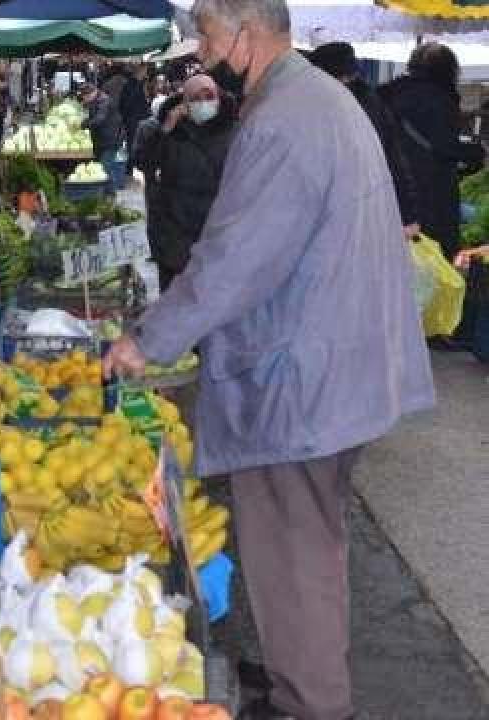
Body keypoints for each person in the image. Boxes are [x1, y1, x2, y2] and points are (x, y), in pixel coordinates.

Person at [102, 1, 435, 718]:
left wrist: (147, 339)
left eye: (210, 35)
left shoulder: (284, 119)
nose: (202, 51)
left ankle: (313, 702)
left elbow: (232, 259)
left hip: (305, 375)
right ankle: (300, 676)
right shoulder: (317, 98)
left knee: (294, 545)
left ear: (246, 36)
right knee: (309, 540)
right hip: (333, 363)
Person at [380, 43, 486, 260]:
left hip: (394, 188)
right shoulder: (439, 99)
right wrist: (476, 152)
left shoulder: (388, 95)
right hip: (432, 193)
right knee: (434, 257)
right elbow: (445, 146)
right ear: (448, 69)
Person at [133, 73, 238, 290]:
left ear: (218, 98)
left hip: (217, 232)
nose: (203, 102)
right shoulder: (171, 132)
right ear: (184, 103)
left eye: (208, 96)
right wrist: (166, 129)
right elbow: (144, 163)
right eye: (195, 98)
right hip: (176, 235)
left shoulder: (235, 133)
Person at [309, 42, 421, 241]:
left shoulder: (349, 106)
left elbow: (391, 159)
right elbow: (394, 159)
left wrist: (408, 214)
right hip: (362, 208)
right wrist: (408, 213)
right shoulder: (371, 101)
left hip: (346, 210)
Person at [79, 82, 125, 190]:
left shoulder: (103, 101)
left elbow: (99, 119)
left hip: (111, 140)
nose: (83, 101)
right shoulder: (97, 100)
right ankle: (105, 195)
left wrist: (84, 125)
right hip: (103, 140)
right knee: (103, 168)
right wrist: (84, 122)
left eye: (84, 97)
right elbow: (93, 117)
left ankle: (111, 195)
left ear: (90, 94)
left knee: (106, 168)